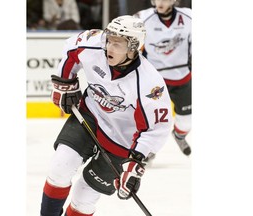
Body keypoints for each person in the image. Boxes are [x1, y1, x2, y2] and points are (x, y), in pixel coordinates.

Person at [40, 15, 173, 216]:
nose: (109, 47)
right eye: (109, 40)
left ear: (133, 48)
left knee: (84, 197)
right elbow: (71, 50)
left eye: (117, 44)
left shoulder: (149, 83)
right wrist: (65, 82)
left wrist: (135, 161)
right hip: (90, 117)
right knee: (60, 166)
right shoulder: (94, 45)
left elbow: (157, 128)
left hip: (122, 141)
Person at [134, 0, 192, 157]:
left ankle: (179, 135)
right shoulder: (141, 19)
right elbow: (132, 46)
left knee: (187, 122)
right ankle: (147, 149)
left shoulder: (189, 17)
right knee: (150, 120)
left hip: (182, 78)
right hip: (155, 80)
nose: (160, 2)